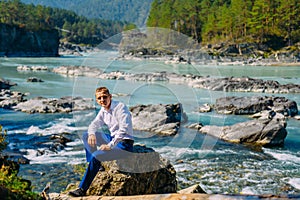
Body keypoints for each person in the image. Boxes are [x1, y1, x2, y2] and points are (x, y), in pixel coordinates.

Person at [69, 86, 134, 197]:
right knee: (86, 136)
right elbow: (94, 124)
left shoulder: (120, 107)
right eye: (99, 98)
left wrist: (110, 145)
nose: (102, 100)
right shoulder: (103, 110)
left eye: (104, 97)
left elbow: (124, 129)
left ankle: (82, 189)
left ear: (110, 97)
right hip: (113, 138)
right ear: (97, 100)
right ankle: (97, 166)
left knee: (97, 156)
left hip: (124, 144)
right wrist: (92, 134)